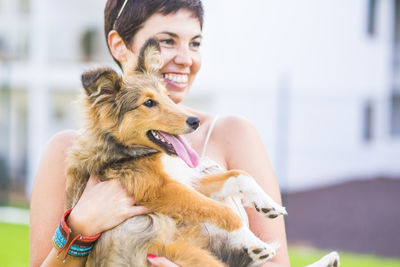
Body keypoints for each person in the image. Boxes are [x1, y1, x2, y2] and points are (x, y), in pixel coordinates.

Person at [29, 0, 290, 266]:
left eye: (195, 43)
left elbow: (276, 263)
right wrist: (79, 228)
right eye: (167, 41)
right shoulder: (65, 150)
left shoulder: (233, 134)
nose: (186, 58)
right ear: (119, 45)